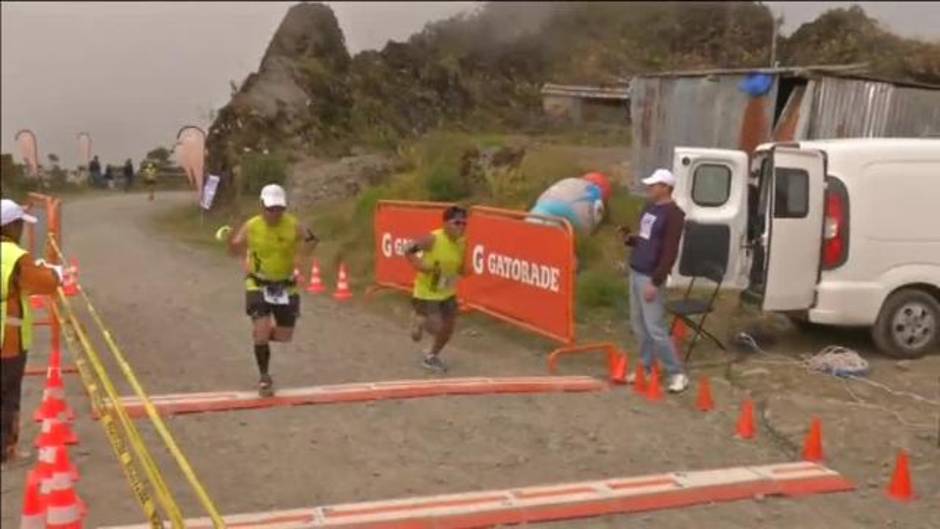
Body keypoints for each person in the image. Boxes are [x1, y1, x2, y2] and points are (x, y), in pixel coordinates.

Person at [225, 184, 318, 396]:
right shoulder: (251, 226)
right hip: (258, 283)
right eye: (270, 209)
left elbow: (312, 239)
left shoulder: (293, 224)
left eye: (279, 209)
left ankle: (262, 334)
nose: (275, 213)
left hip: (286, 285)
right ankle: (264, 377)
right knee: (261, 332)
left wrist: (301, 256)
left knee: (285, 336)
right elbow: (234, 249)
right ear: (261, 206)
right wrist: (231, 241)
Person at [1, 199, 62, 468]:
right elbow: (45, 283)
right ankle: (5, 449)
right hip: (8, 339)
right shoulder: (15, 256)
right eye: (20, 226)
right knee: (7, 395)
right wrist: (56, 274)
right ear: (11, 226)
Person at [620, 168, 689, 393]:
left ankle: (677, 373)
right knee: (639, 326)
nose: (650, 188)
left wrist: (656, 281)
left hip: (650, 276)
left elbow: (669, 252)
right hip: (636, 270)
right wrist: (631, 240)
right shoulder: (649, 207)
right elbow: (647, 238)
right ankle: (646, 368)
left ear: (665, 188)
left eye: (654, 185)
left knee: (656, 328)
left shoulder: (674, 215)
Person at [405, 205, 468, 373]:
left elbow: (459, 266)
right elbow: (408, 250)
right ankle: (418, 319)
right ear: (446, 223)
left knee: (449, 327)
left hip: (447, 291)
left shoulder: (462, 242)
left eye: (464, 224)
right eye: (457, 223)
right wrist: (420, 265)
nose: (461, 227)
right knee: (435, 328)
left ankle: (431, 356)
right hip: (427, 293)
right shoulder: (432, 239)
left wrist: (464, 270)